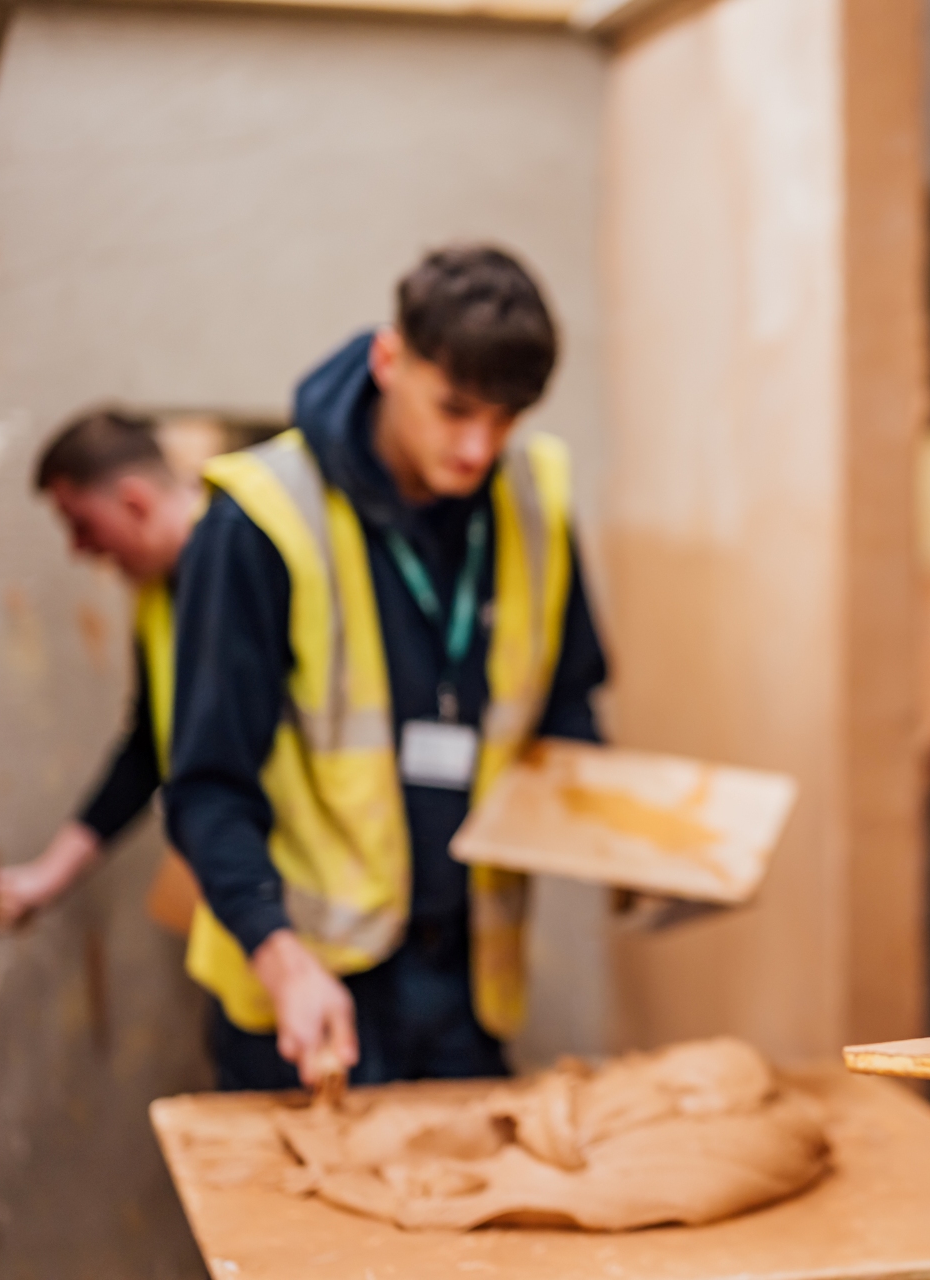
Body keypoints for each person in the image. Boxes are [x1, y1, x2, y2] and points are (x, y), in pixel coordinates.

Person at [164, 245, 607, 1091]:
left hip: (466, 985)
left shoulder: (534, 498)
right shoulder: (262, 519)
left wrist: (633, 841)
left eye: (508, 418)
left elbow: (567, 707)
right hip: (304, 985)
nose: (479, 447)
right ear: (389, 359)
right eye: (455, 409)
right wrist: (280, 957)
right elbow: (206, 785)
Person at [0, 411, 202, 925]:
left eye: (81, 525)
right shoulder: (158, 598)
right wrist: (50, 874)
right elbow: (149, 745)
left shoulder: (247, 559)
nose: (80, 550)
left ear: (134, 502)